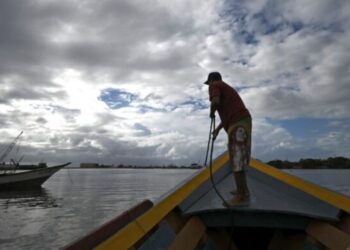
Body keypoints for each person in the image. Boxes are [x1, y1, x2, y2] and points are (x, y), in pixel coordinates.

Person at [204, 72, 252, 206]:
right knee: (238, 158)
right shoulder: (226, 88)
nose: (209, 86)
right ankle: (243, 191)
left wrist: (212, 112)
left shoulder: (214, 85)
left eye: (209, 83)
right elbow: (227, 116)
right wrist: (218, 130)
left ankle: (242, 197)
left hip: (238, 123)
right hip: (240, 121)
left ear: (211, 80)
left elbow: (215, 102)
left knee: (236, 158)